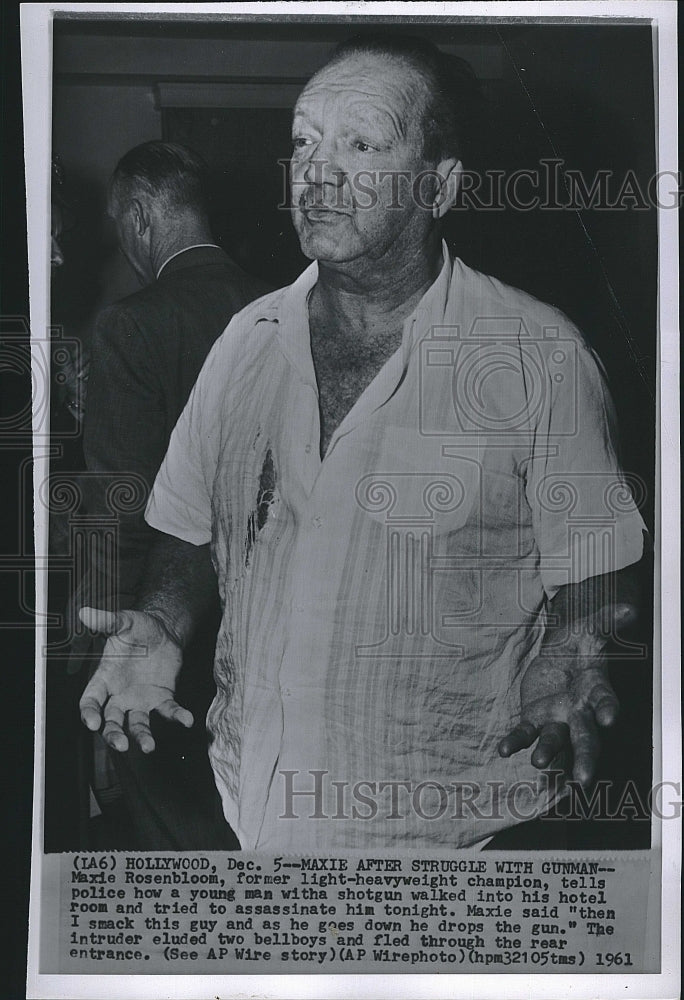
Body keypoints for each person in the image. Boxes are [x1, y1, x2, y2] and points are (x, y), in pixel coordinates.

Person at [79, 35, 646, 851]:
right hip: (248, 808)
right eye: (305, 140)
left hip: (445, 847)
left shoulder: (540, 357)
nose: (318, 171)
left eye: (363, 144)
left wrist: (576, 643)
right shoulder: (247, 340)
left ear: (439, 184)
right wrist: (164, 622)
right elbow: (192, 530)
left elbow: (597, 558)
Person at [73, 140, 269, 849]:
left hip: (158, 624)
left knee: (168, 830)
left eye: (118, 223)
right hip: (263, 623)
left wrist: (94, 644)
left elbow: (118, 502)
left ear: (140, 215)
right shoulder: (285, 307)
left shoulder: (131, 321)